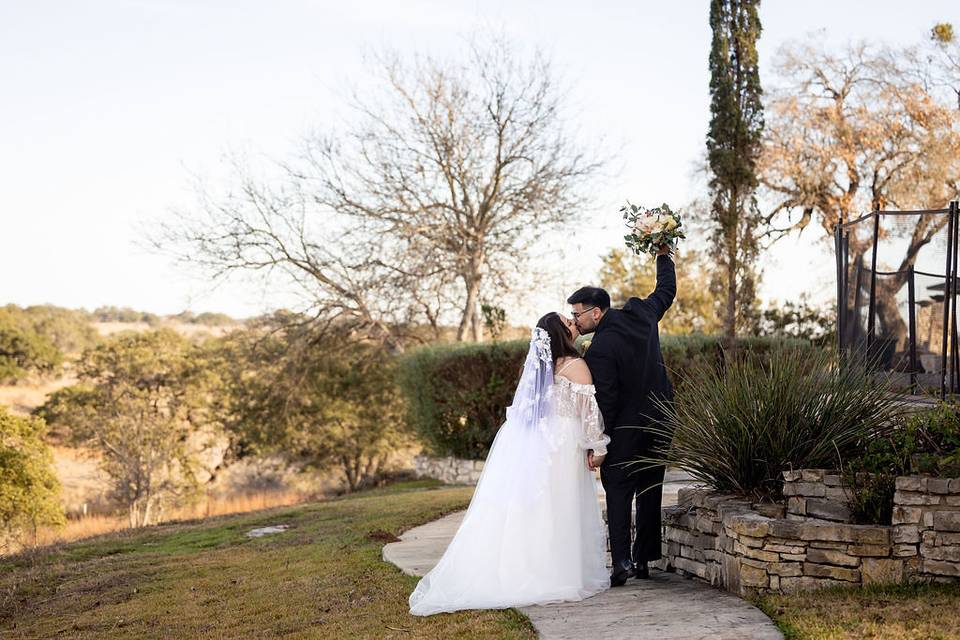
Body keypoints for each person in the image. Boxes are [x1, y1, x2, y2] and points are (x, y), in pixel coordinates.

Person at [409, 312, 610, 615]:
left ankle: (531, 569)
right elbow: (588, 412)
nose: (573, 324)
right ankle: (557, 573)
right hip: (563, 443)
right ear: (559, 335)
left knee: (541, 507)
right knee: (562, 506)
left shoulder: (541, 370)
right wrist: (599, 446)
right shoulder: (576, 365)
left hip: (543, 442)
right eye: (568, 323)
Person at [567, 245, 676, 587]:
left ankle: (622, 562)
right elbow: (666, 291)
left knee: (618, 492)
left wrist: (599, 442)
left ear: (596, 313)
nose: (575, 320)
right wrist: (663, 253)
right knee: (650, 491)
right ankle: (643, 560)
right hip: (660, 424)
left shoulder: (598, 349)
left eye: (578, 314)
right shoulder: (643, 314)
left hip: (624, 432)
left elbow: (607, 401)